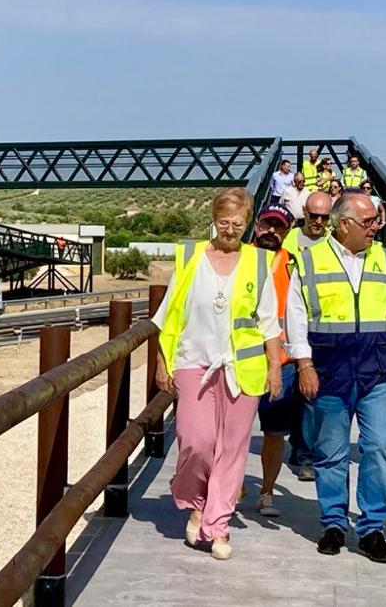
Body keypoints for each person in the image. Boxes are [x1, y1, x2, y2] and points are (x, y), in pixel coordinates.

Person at [151, 188, 284, 561]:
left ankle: (217, 524)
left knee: (233, 449)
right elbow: (168, 315)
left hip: (241, 367)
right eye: (224, 223)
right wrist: (164, 361)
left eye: (238, 225)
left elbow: (269, 322)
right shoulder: (191, 256)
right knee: (195, 440)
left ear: (249, 224)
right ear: (213, 219)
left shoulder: (259, 262)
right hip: (194, 361)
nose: (230, 231)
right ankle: (196, 500)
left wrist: (275, 367)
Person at [292, 193, 386, 563]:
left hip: (377, 369)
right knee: (331, 451)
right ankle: (333, 523)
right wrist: (304, 364)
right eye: (368, 223)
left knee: (379, 447)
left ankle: (372, 528)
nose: (375, 228)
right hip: (329, 369)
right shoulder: (308, 261)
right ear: (344, 224)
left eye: (377, 221)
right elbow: (295, 316)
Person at [248, 204, 305, 516]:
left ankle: (266, 492)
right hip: (243, 361)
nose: (272, 231)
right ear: (257, 225)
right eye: (267, 224)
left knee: (274, 432)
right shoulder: (240, 258)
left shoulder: (292, 265)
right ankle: (229, 487)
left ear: (288, 230)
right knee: (232, 432)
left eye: (279, 227)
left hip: (281, 362)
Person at [280, 190, 332, 479]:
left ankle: (306, 453)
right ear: (304, 214)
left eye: (325, 217)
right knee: (294, 394)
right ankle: (299, 444)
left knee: (314, 393)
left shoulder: (335, 243)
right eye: (314, 216)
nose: (319, 222)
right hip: (289, 324)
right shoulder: (288, 241)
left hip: (322, 326)